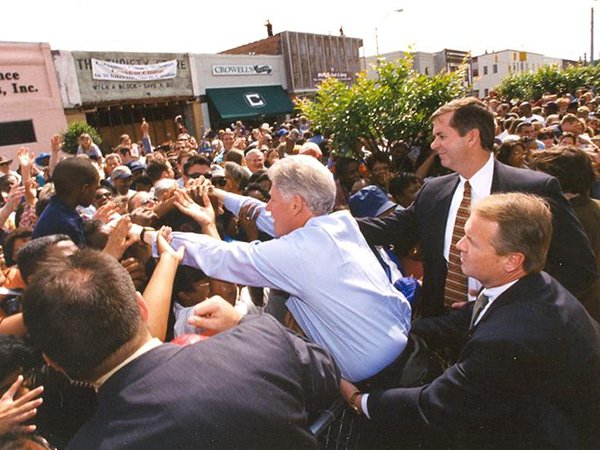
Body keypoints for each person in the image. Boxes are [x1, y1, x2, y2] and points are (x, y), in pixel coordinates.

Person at [342, 193, 600, 450]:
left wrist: (358, 399)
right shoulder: (531, 284)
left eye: (472, 242)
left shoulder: (507, 338)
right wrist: (400, 332)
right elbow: (461, 320)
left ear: (512, 260)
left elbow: (435, 404)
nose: (459, 245)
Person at [22, 249, 340, 450]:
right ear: (141, 306)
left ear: (54, 362)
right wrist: (243, 322)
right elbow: (326, 376)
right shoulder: (260, 339)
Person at [139, 155, 411, 384]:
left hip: (384, 385)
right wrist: (216, 194)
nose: (268, 206)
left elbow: (221, 255)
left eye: (272, 198)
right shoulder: (338, 224)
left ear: (295, 204)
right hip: (403, 359)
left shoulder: (300, 252)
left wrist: (144, 236)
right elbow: (262, 213)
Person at [358, 97, 597, 317]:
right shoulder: (433, 191)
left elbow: (578, 269)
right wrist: (328, 221)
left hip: (505, 330)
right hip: (440, 328)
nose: (433, 145)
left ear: (471, 137)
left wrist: (504, 305)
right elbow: (392, 228)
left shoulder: (534, 189)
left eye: (442, 136)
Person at [32, 158, 99, 246]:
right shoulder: (67, 225)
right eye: (95, 188)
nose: (95, 193)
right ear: (85, 189)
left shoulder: (54, 210)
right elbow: (79, 259)